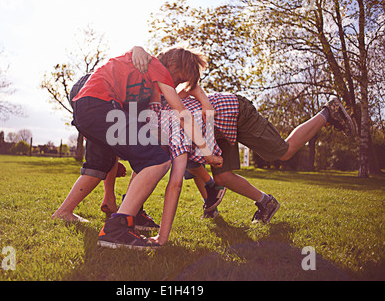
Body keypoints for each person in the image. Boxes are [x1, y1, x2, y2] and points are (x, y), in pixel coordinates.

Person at [52, 46, 222, 250]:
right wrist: (207, 151)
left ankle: (70, 213)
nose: (174, 85)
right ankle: (116, 230)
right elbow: (182, 113)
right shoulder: (155, 67)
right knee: (157, 160)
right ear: (173, 65)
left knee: (110, 162)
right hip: (100, 105)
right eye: (177, 79)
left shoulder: (144, 71)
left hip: (88, 108)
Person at [168, 90, 357, 223]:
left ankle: (328, 111)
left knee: (284, 152)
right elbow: (193, 163)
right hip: (218, 129)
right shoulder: (168, 127)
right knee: (222, 177)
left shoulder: (167, 113)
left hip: (234, 111)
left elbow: (191, 86)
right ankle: (267, 203)